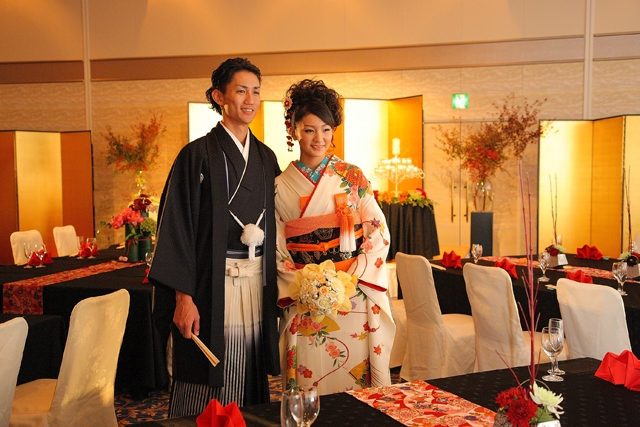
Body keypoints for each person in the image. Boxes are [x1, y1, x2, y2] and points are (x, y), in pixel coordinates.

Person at [149, 57, 281, 416]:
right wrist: (183, 298)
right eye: (241, 91)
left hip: (256, 284)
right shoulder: (196, 155)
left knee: (249, 365)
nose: (250, 100)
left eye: (256, 91)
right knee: (207, 370)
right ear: (219, 96)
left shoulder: (266, 158)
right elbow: (177, 229)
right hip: (210, 287)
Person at [275, 79, 395, 395]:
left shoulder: (351, 176)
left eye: (326, 130)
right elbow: (276, 246)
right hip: (305, 294)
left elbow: (378, 229)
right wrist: (306, 286)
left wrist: (351, 278)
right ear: (293, 130)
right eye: (309, 129)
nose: (319, 138)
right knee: (310, 377)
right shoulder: (279, 186)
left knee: (356, 375)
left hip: (353, 291)